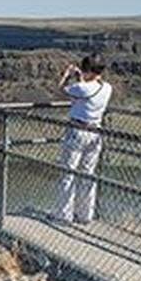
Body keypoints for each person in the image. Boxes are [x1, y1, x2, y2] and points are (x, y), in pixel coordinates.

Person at [53, 53, 112, 224]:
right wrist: (81, 77)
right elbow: (86, 89)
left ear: (88, 70)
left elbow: (61, 89)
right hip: (96, 132)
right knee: (88, 174)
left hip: (77, 131)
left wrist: (66, 75)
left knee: (69, 173)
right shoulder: (108, 88)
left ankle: (63, 215)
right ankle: (85, 214)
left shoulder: (83, 88)